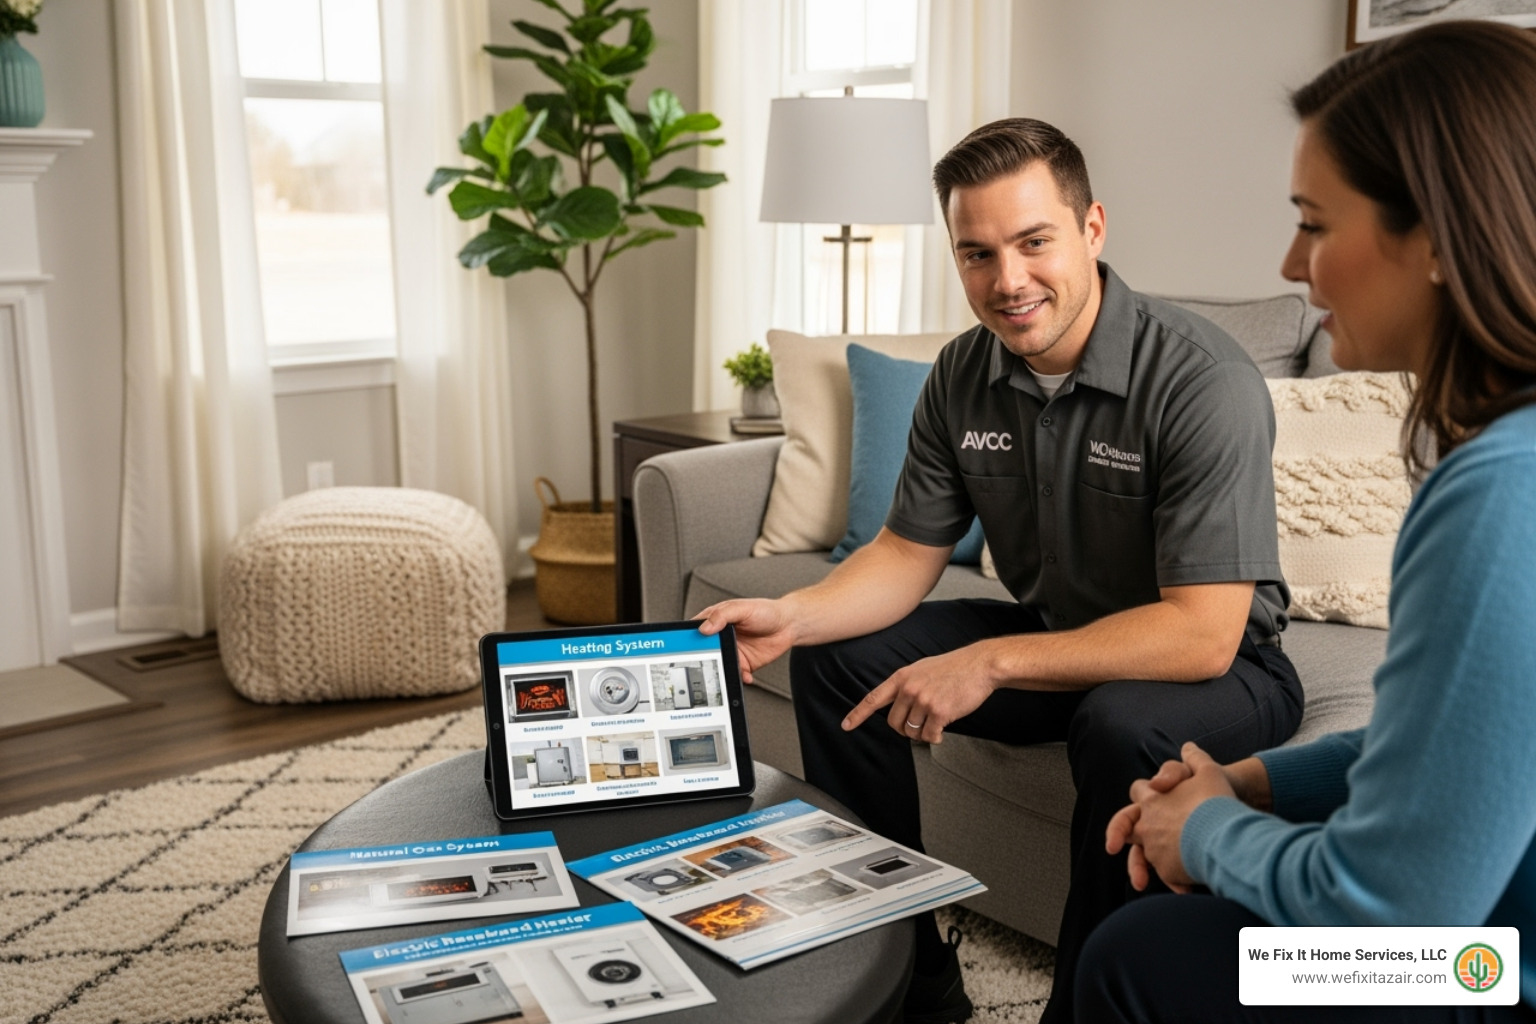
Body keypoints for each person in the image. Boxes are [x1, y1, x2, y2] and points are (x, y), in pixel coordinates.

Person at [696, 118, 1304, 1024]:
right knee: (837, 663)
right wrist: (798, 615)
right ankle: (905, 968)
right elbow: (907, 552)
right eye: (976, 253)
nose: (1007, 281)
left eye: (1033, 243)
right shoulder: (962, 374)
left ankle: (1084, 1008)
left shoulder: (1198, 379)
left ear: (1093, 229)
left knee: (1122, 720)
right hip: (1064, 640)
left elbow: (1203, 632)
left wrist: (989, 662)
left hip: (1216, 668)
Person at [1080, 20, 1536, 1024]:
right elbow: (1446, 760)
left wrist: (1204, 832)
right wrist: (1247, 781)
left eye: (1315, 223)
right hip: (1485, 927)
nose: (1290, 263)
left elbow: (1393, 919)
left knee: (1143, 955)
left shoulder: (1504, 493)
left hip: (1484, 971)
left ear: (1437, 237)